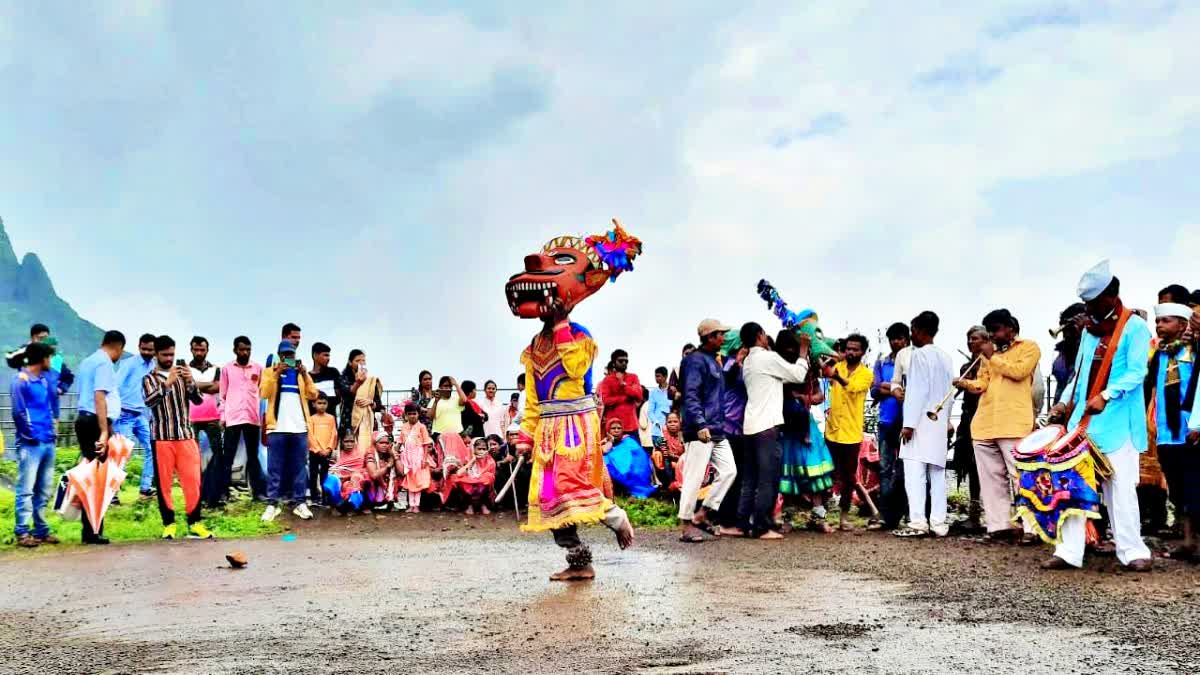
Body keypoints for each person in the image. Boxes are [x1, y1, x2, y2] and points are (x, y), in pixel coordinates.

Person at [507, 223, 638, 580]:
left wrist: (563, 323)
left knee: (572, 486)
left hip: (575, 429)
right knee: (548, 496)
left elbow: (577, 368)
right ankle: (579, 562)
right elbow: (534, 398)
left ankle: (616, 517)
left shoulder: (580, 336)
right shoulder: (534, 346)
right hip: (548, 430)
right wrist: (526, 435)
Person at [1043, 261, 1153, 572]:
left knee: (1120, 488)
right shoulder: (1090, 332)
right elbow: (1078, 376)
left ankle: (1132, 551)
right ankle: (1069, 551)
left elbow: (1136, 372)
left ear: (1111, 295)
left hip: (1117, 422)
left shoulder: (1135, 327)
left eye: (1093, 301)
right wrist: (1062, 404)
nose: (1088, 307)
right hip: (1083, 422)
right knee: (1072, 485)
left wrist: (1106, 395)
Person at [955, 309, 1041, 541]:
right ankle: (999, 526)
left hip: (1013, 423)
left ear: (1011, 328)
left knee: (1020, 476)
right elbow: (983, 384)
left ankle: (1032, 528)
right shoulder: (987, 356)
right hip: (984, 424)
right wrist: (966, 384)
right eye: (989, 331)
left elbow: (1019, 372)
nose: (992, 335)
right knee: (991, 478)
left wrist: (992, 356)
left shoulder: (1029, 347)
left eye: (996, 330)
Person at [736, 322, 811, 540]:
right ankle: (762, 526)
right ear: (760, 335)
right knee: (768, 478)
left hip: (750, 425)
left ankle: (744, 523)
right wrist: (804, 351)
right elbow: (798, 375)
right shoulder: (767, 358)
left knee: (750, 478)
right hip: (767, 426)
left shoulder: (749, 360)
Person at [141, 336, 213, 540]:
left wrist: (190, 381)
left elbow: (198, 400)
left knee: (193, 481)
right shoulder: (149, 379)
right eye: (165, 355)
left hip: (185, 435)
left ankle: (195, 522)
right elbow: (149, 401)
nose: (169, 358)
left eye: (171, 354)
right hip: (162, 437)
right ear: (156, 355)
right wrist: (168, 382)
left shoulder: (182, 375)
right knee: (164, 483)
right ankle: (169, 524)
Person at [893, 312, 955, 538]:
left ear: (920, 330)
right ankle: (939, 523)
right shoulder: (946, 357)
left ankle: (918, 521)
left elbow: (917, 391)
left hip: (919, 422)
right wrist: (947, 419)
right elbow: (950, 393)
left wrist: (908, 424)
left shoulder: (918, 355)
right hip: (938, 421)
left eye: (913, 330)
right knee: (937, 473)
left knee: (915, 472)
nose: (911, 335)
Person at [678, 319, 739, 543]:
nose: (723, 338)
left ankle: (703, 513)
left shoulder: (713, 360)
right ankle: (686, 526)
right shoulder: (695, 361)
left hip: (715, 428)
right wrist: (700, 424)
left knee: (729, 471)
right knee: (693, 478)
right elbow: (691, 394)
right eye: (720, 334)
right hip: (700, 429)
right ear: (710, 336)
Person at [1147, 301, 1198, 559]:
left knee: (1195, 487)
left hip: (1192, 430)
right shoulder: (1160, 354)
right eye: (1158, 321)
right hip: (1167, 432)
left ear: (1182, 324)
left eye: (1166, 321)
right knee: (1178, 488)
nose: (1159, 325)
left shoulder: (1194, 350)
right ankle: (1188, 541)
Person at [777, 333, 835, 533]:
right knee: (789, 474)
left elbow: (819, 395)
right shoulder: (779, 368)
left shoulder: (808, 370)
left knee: (815, 474)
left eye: (793, 347)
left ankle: (818, 518)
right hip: (787, 427)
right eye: (786, 347)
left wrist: (803, 397)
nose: (790, 351)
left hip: (806, 424)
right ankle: (788, 519)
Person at [74, 330, 125, 545]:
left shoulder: (88, 361)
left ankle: (90, 529)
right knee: (98, 478)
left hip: (83, 420)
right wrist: (104, 431)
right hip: (95, 422)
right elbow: (99, 396)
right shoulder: (104, 363)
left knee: (92, 474)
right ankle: (93, 531)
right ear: (118, 347)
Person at [259, 340, 319, 523]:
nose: (288, 358)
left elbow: (313, 394)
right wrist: (276, 373)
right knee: (274, 468)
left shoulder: (300, 374)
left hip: (299, 428)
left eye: (291, 354)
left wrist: (305, 374)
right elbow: (264, 393)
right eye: (284, 355)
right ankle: (272, 504)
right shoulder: (269, 372)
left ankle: (300, 503)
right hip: (276, 428)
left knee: (300, 468)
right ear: (279, 355)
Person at [823, 333, 877, 531]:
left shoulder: (867, 374)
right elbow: (823, 369)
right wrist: (831, 357)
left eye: (855, 349)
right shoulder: (838, 365)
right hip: (832, 431)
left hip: (851, 434)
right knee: (827, 474)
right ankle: (821, 515)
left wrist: (836, 376)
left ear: (863, 352)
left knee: (848, 478)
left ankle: (844, 517)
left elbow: (853, 387)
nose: (851, 352)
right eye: (848, 349)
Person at [10, 342, 60, 547]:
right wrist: (30, 435)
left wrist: (51, 431)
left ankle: (40, 529)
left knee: (44, 488)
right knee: (26, 488)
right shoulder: (21, 380)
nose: (50, 361)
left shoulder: (43, 381)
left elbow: (47, 407)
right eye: (49, 357)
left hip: (47, 440)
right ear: (42, 359)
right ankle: (22, 531)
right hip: (31, 444)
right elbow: (18, 412)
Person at [210, 336, 266, 505]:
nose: (245, 352)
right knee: (228, 457)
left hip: (252, 418)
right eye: (242, 349)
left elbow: (263, 392)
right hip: (232, 419)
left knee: (253, 457)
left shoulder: (258, 368)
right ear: (235, 350)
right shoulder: (227, 369)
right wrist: (222, 417)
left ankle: (258, 494)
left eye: (248, 349)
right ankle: (223, 494)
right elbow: (223, 395)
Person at [870, 322, 910, 531]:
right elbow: (874, 390)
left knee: (908, 468)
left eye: (900, 337)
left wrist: (888, 386)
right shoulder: (882, 362)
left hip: (908, 422)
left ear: (907, 339)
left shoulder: (913, 360)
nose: (896, 342)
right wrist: (894, 389)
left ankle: (910, 514)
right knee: (884, 469)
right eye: (893, 338)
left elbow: (912, 388)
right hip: (886, 421)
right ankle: (886, 516)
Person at [951, 326, 988, 533]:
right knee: (969, 466)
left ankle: (989, 515)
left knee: (984, 468)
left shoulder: (990, 363)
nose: (970, 342)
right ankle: (973, 515)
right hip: (967, 420)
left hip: (985, 419)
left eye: (974, 338)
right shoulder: (967, 365)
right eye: (968, 339)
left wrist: (966, 382)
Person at [114, 333, 158, 499]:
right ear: (139, 347)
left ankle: (145, 489)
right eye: (144, 349)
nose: (147, 352)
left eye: (150, 349)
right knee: (121, 454)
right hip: (123, 414)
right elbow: (116, 385)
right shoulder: (129, 364)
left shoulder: (153, 365)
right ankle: (113, 495)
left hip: (140, 414)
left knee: (153, 448)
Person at [715, 341, 749, 535]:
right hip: (729, 427)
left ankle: (731, 519)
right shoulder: (729, 364)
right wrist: (739, 360)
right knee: (731, 475)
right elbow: (729, 377)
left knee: (739, 476)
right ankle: (725, 522)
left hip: (740, 429)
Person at [187, 337, 222, 477]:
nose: (199, 353)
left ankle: (216, 487)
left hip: (213, 417)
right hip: (190, 418)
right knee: (193, 455)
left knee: (218, 452)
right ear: (191, 350)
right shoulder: (185, 369)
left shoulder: (216, 369)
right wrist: (208, 384)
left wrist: (195, 384)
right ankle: (197, 488)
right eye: (196, 350)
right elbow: (186, 388)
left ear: (207, 350)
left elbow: (217, 388)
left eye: (202, 350)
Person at [397, 402, 436, 512]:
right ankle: (410, 505)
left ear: (418, 414)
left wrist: (424, 459)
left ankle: (416, 505)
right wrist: (395, 451)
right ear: (406, 415)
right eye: (409, 414)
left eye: (414, 413)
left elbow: (426, 444)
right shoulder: (404, 426)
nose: (412, 416)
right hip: (408, 457)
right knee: (410, 480)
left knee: (418, 480)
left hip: (419, 456)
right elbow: (400, 441)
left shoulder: (422, 427)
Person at [340, 349, 383, 449]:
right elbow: (346, 395)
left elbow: (378, 403)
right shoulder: (343, 379)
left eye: (363, 361)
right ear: (350, 363)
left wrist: (371, 402)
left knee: (367, 449)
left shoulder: (371, 381)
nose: (361, 363)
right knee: (350, 448)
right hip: (349, 419)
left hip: (367, 420)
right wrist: (358, 382)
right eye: (358, 361)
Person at [324, 431, 372, 515]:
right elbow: (331, 469)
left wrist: (352, 475)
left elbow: (365, 469)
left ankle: (357, 506)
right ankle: (335, 505)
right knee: (330, 480)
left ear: (355, 442)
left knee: (354, 481)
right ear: (341, 442)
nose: (349, 444)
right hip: (340, 480)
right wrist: (339, 476)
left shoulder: (361, 454)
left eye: (352, 441)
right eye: (346, 441)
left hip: (354, 480)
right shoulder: (336, 454)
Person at [599, 349, 644, 439]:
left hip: (631, 425)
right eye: (621, 361)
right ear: (614, 363)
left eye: (626, 361)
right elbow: (606, 400)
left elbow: (639, 395)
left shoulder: (633, 377)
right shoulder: (607, 380)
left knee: (635, 452)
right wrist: (625, 398)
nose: (624, 363)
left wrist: (623, 384)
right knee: (614, 452)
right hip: (614, 426)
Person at [306, 393, 338, 507]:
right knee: (313, 474)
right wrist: (318, 449)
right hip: (314, 452)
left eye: (324, 403)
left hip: (326, 452)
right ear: (314, 404)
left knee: (325, 475)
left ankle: (325, 498)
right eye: (319, 403)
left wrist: (329, 448)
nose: (322, 406)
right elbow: (310, 435)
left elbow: (334, 434)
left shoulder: (331, 418)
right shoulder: (311, 419)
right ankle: (314, 497)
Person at [451, 438, 497, 514]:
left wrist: (479, 479)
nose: (481, 451)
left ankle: (483, 505)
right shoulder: (467, 458)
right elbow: (459, 473)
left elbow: (491, 478)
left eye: (484, 449)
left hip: (482, 485)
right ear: (473, 449)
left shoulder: (490, 461)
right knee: (460, 479)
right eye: (479, 449)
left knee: (487, 477)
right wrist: (473, 460)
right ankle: (469, 506)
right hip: (469, 483)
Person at [308, 342, 347, 423]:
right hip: (313, 422)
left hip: (331, 421)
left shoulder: (333, 372)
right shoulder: (308, 377)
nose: (328, 358)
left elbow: (343, 392)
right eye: (325, 355)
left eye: (329, 355)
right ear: (315, 355)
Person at [364, 431, 401, 510]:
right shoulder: (370, 454)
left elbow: (401, 472)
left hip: (385, 487)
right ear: (375, 444)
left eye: (387, 443)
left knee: (399, 477)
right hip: (375, 488)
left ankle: (390, 502)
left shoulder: (389, 453)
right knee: (366, 477)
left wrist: (395, 457)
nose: (384, 445)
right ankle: (367, 505)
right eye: (381, 443)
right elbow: (373, 474)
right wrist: (387, 466)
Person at [430, 375, 467, 439]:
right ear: (440, 387)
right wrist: (436, 402)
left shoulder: (456, 399)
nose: (448, 388)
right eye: (445, 386)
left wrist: (456, 384)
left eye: (450, 386)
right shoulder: (434, 400)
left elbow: (464, 400)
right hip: (439, 434)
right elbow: (430, 416)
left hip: (457, 434)